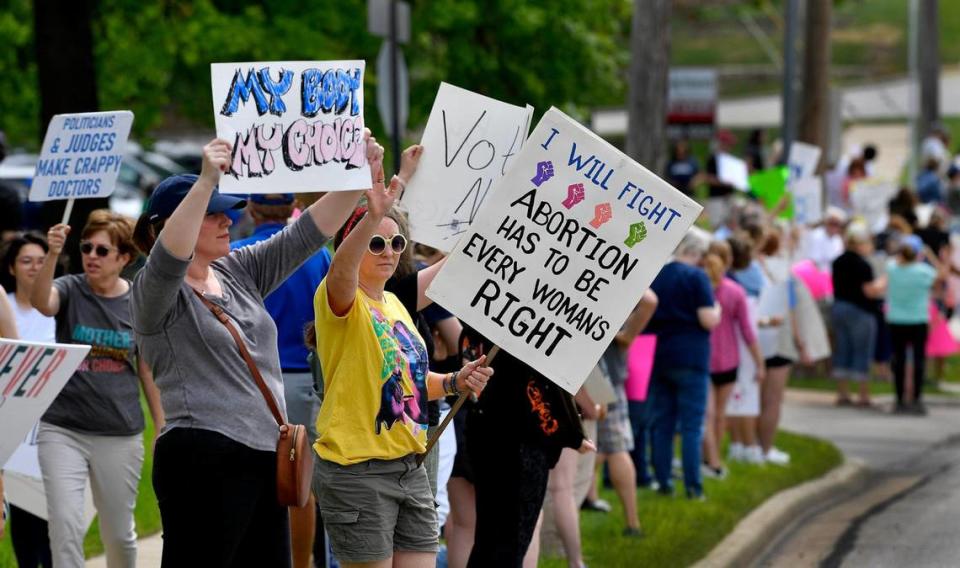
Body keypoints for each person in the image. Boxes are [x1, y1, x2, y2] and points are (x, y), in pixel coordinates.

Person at [129, 136, 380, 566]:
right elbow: (170, 257)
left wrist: (356, 177)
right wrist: (206, 179)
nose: (228, 219)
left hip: (264, 457)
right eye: (214, 212)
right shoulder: (154, 291)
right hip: (201, 458)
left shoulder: (236, 270)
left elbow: (305, 234)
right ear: (172, 224)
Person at [311, 163, 492, 567]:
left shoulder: (393, 303)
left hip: (410, 465)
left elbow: (407, 379)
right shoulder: (340, 297)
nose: (389, 253)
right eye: (376, 244)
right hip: (358, 471)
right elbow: (341, 268)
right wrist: (374, 213)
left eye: (396, 244)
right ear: (352, 243)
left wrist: (452, 381)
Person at [31, 210, 164, 568]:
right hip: (62, 428)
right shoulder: (71, 288)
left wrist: (161, 426)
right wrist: (53, 254)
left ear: (124, 258)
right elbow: (42, 303)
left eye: (102, 251)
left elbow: (147, 369)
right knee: (65, 526)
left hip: (119, 432)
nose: (91, 255)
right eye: (87, 247)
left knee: (119, 534)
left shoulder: (138, 301)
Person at [229, 193, 332, 568]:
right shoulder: (317, 255)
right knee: (299, 486)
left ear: (252, 210)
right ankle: (300, 563)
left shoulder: (235, 254)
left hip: (251, 383)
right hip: (304, 379)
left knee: (253, 479)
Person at [459, 326, 592, 568]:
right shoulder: (524, 330)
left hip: (485, 436)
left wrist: (570, 433)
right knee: (507, 539)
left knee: (491, 536)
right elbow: (537, 389)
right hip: (519, 445)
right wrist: (570, 433)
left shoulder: (476, 319)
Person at [647, 232, 720, 499]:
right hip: (691, 356)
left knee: (663, 422)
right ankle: (693, 486)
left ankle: (664, 481)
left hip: (661, 353)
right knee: (691, 425)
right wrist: (718, 310)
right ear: (696, 253)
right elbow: (707, 319)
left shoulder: (658, 275)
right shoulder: (697, 277)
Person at [1, 233, 54, 568]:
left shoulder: (57, 307)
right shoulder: (4, 306)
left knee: (51, 523)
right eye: (26, 260)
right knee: (21, 521)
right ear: (11, 267)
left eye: (40, 260)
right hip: (14, 429)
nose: (34, 267)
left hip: (52, 429)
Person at [703, 247, 765, 476]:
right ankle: (715, 457)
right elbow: (748, 331)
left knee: (708, 415)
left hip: (706, 359)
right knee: (720, 414)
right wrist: (760, 362)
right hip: (729, 359)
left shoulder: (702, 288)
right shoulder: (735, 291)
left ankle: (710, 459)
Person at [831, 224, 885, 407]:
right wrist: (882, 283)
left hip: (839, 307)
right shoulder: (863, 264)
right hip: (860, 310)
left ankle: (842, 393)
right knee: (862, 351)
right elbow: (869, 291)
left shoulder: (837, 261)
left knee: (843, 350)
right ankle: (863, 394)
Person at [886, 235, 939, 415]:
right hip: (918, 320)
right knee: (918, 361)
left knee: (899, 360)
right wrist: (930, 256)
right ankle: (916, 399)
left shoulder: (892, 268)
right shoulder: (924, 271)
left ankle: (900, 399)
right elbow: (941, 276)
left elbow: (893, 262)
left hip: (896, 320)